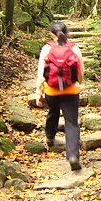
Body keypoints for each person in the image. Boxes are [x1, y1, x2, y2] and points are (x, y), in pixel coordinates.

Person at [35, 22, 84, 171]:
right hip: (71, 90)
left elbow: (41, 73)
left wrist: (39, 93)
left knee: (53, 112)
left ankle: (50, 138)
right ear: (67, 33)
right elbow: (80, 71)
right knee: (71, 122)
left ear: (52, 35)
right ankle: (73, 155)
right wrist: (77, 83)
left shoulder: (47, 48)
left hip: (52, 90)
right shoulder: (74, 48)